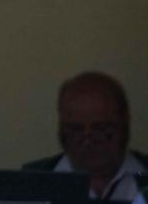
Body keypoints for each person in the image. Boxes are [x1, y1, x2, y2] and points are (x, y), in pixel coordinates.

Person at [23, 71, 146, 201]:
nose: (88, 141)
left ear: (124, 122)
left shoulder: (143, 175)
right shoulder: (29, 183)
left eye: (100, 129)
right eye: (76, 129)